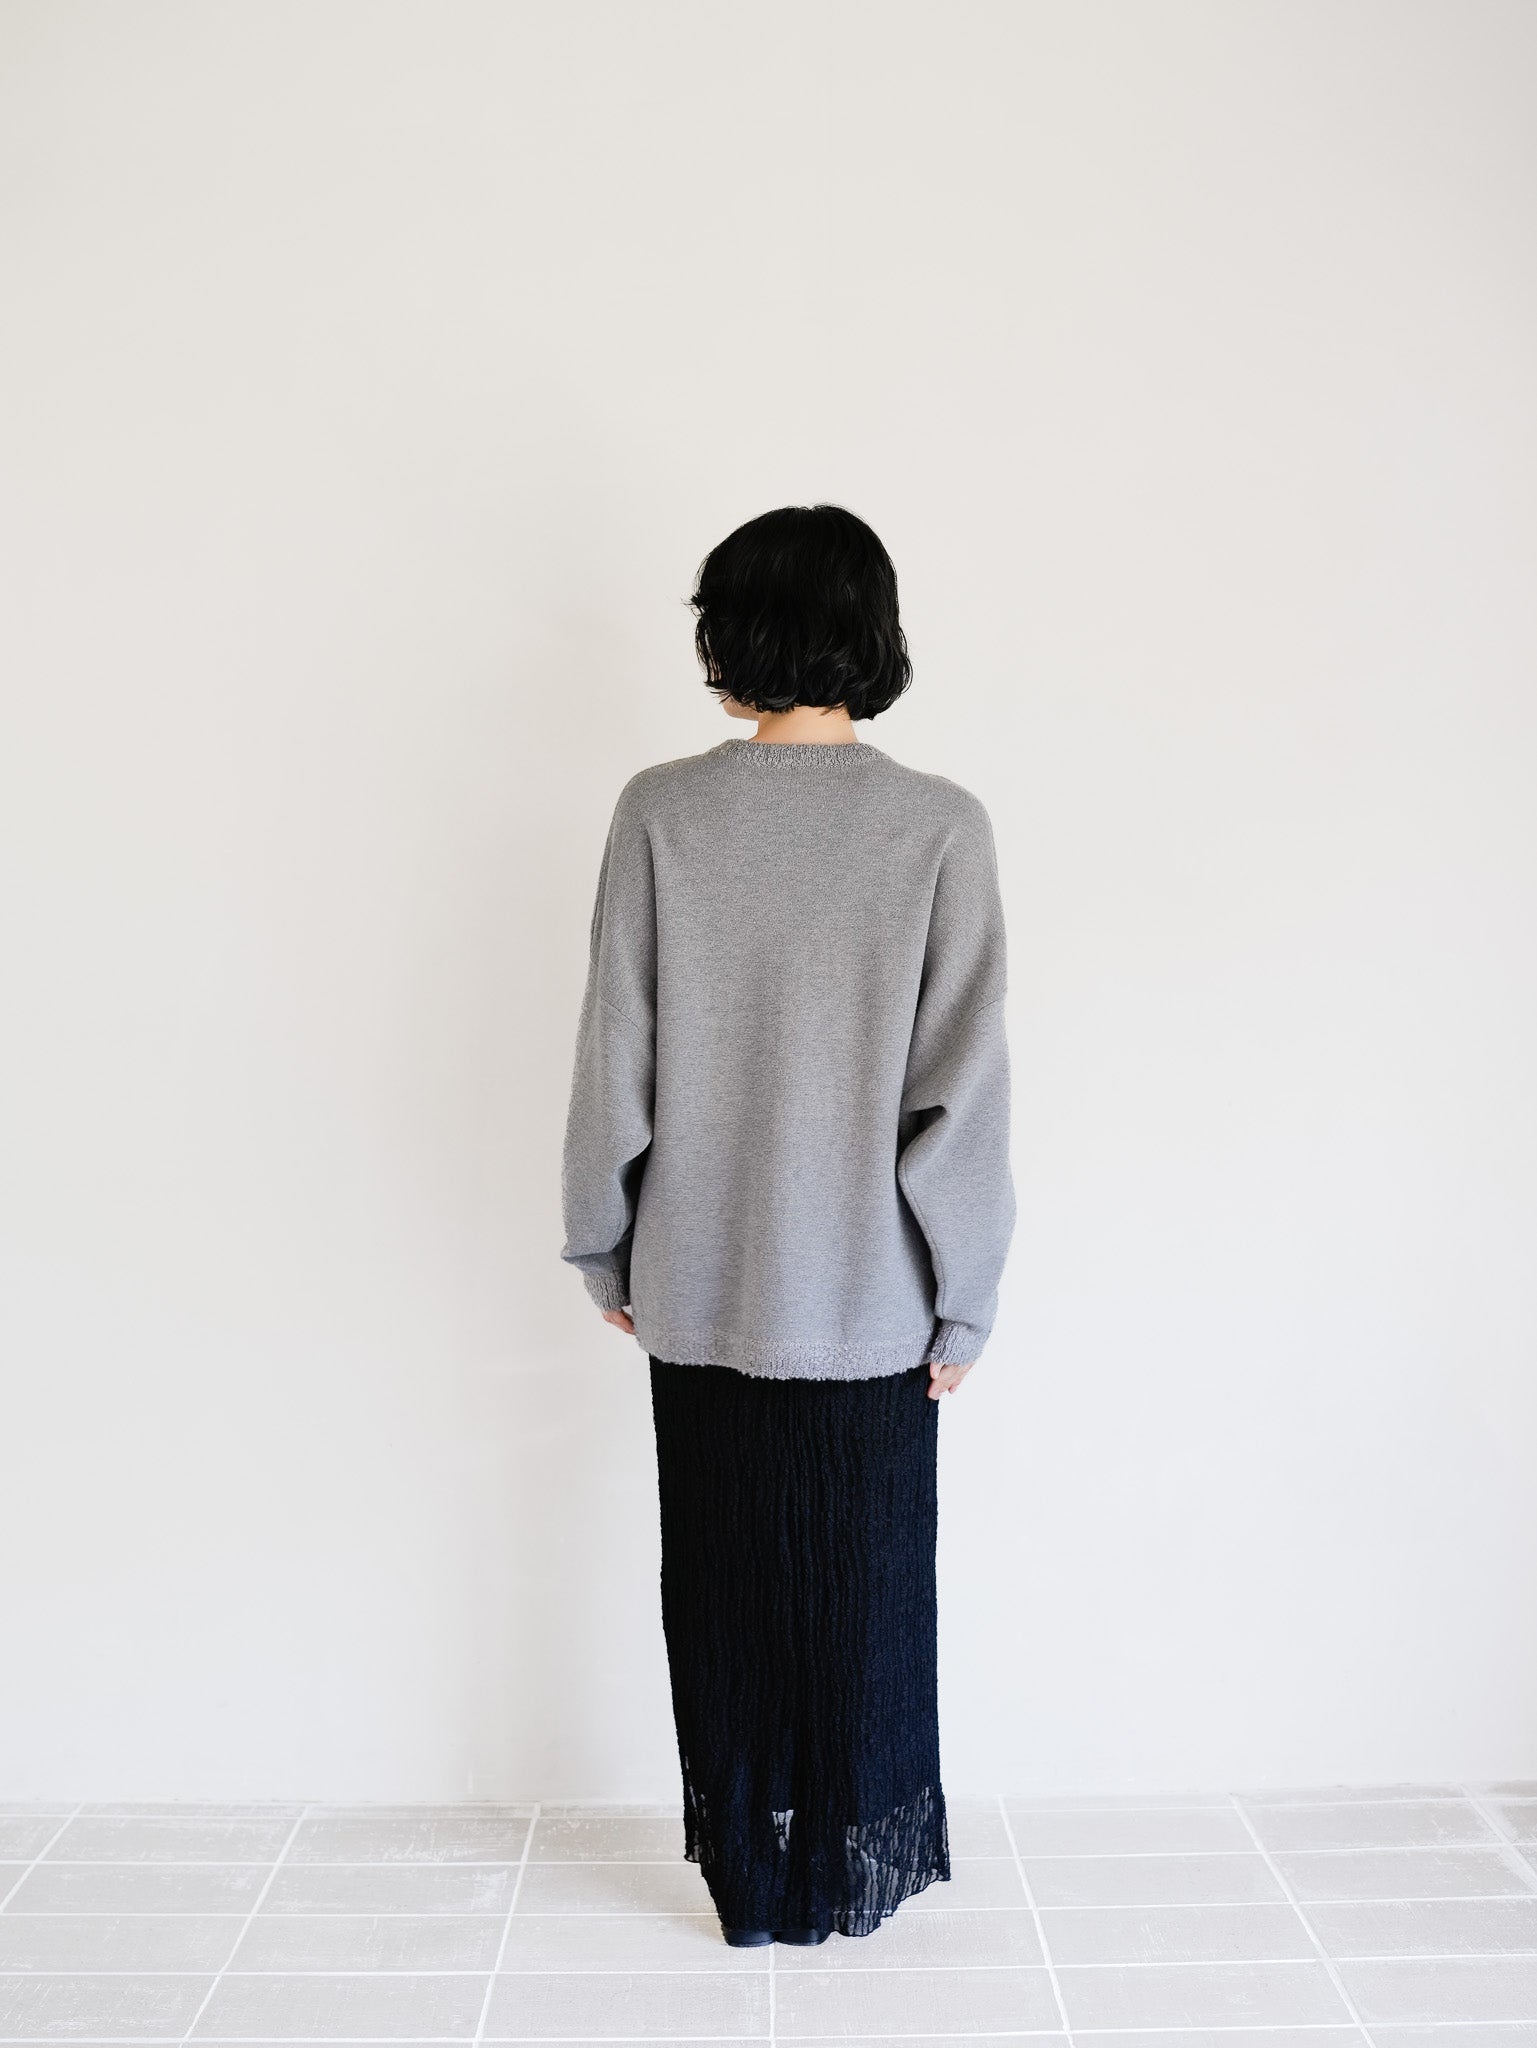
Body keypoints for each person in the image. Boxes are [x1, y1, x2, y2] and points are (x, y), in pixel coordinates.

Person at [559, 502, 1016, 1946]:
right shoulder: (939, 825)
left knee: (724, 1600)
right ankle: (847, 1882)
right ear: (873, 633)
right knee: (865, 1608)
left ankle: (748, 1889)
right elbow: (960, 1092)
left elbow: (614, 1051)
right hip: (875, 1308)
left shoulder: (661, 810)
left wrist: (602, 1238)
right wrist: (966, 1295)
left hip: (697, 1290)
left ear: (730, 634)